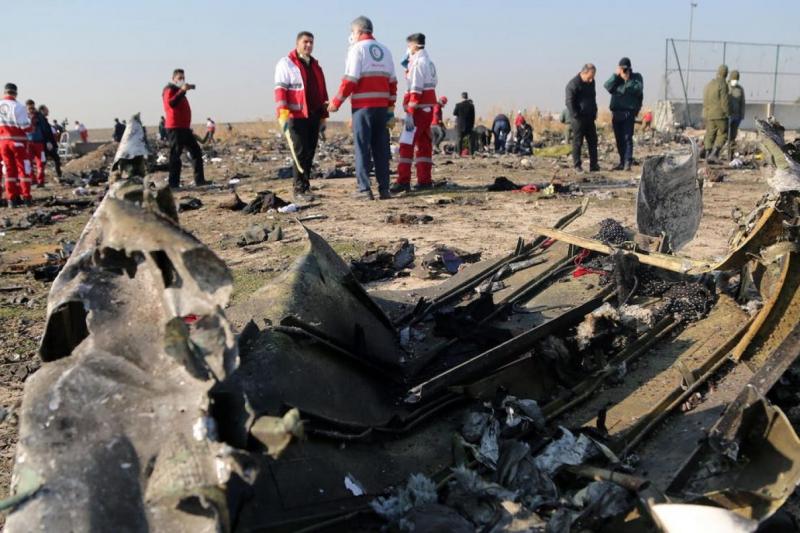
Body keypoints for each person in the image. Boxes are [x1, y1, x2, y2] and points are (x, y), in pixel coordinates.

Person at [327, 16, 396, 200]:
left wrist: (336, 103)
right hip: (382, 108)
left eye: (352, 32)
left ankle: (364, 189)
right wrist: (390, 109)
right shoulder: (385, 51)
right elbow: (393, 83)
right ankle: (384, 189)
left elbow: (350, 80)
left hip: (363, 108)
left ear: (357, 31)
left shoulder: (357, 49)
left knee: (362, 148)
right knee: (381, 150)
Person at [274, 30, 329, 201]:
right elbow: (280, 90)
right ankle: (298, 189)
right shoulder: (287, 63)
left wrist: (323, 116)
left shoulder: (316, 66)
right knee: (300, 152)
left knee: (310, 152)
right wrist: (282, 113)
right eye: (305, 42)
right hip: (295, 116)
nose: (309, 45)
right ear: (297, 43)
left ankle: (306, 187)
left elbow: (322, 92)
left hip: (313, 115)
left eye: (311, 42)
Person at [392, 32, 437, 193]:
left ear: (413, 45)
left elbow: (416, 90)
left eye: (408, 46)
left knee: (406, 144)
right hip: (427, 109)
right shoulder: (429, 62)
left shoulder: (417, 64)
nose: (407, 49)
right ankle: (425, 180)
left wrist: (410, 112)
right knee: (424, 145)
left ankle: (403, 181)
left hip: (418, 110)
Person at [162, 68, 207, 188]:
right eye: (179, 78)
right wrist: (182, 90)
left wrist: (183, 90)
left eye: (183, 78)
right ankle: (173, 183)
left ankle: (200, 180)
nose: (182, 80)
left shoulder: (179, 91)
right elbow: (171, 103)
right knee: (175, 156)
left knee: (196, 152)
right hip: (175, 128)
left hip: (184, 128)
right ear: (173, 79)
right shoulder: (169, 89)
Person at [604, 57, 643, 171]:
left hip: (628, 112)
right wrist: (615, 75)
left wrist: (627, 81)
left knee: (627, 138)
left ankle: (627, 162)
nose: (624, 71)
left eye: (626, 69)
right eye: (622, 69)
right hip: (616, 113)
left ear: (630, 68)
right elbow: (607, 86)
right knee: (619, 139)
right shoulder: (616, 79)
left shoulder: (636, 77)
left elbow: (638, 89)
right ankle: (622, 161)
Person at [0, 83, 32, 207]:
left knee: (9, 171)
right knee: (24, 169)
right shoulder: (18, 107)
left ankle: (11, 199)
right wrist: (31, 126)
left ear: (4, 92)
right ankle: (26, 197)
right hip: (17, 142)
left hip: (3, 143)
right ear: (16, 93)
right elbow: (25, 126)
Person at [565, 63, 599, 172]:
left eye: (593, 77)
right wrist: (575, 115)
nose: (591, 79)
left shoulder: (591, 83)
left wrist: (594, 111)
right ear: (584, 73)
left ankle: (594, 165)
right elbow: (569, 102)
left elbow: (593, 97)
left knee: (593, 141)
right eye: (590, 76)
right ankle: (577, 165)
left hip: (590, 117)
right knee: (578, 142)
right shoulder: (573, 84)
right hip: (578, 119)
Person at [702, 64, 730, 163]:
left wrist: (706, 112)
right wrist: (727, 113)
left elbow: (705, 99)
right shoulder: (723, 84)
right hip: (720, 114)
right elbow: (724, 101)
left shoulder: (710, 84)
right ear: (726, 73)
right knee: (723, 133)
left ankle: (707, 154)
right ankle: (714, 154)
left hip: (709, 114)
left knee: (710, 134)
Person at [25, 100, 55, 188]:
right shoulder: (24, 116)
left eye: (32, 107)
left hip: (38, 143)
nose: (31, 109)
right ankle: (33, 180)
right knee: (29, 163)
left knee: (40, 162)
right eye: (29, 108)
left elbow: (46, 129)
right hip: (29, 143)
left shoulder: (39, 117)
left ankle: (40, 181)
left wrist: (48, 141)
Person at [39, 106, 61, 178]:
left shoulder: (43, 119)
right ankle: (58, 174)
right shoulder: (41, 119)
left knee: (47, 160)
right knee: (54, 158)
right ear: (42, 110)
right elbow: (45, 131)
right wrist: (48, 142)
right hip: (46, 143)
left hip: (46, 143)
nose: (48, 112)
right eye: (46, 110)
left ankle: (58, 174)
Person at [728, 70, 745, 159]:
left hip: (736, 116)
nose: (735, 81)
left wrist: (741, 115)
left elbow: (742, 103)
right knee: (724, 136)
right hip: (727, 116)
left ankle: (730, 154)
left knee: (733, 136)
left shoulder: (740, 89)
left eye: (736, 79)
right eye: (733, 79)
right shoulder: (726, 87)